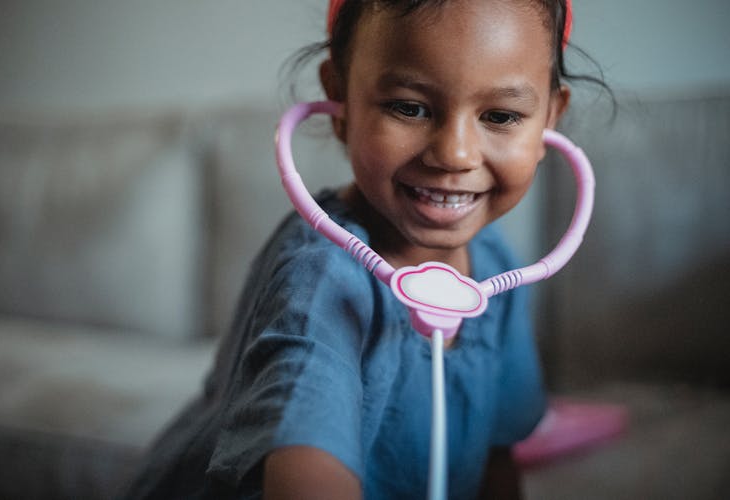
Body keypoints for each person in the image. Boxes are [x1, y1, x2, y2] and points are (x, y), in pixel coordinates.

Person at [122, 0, 593, 498]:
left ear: (549, 119)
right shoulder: (320, 277)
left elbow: (497, 458)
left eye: (501, 115)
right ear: (340, 96)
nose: (455, 153)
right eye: (409, 107)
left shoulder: (497, 268)